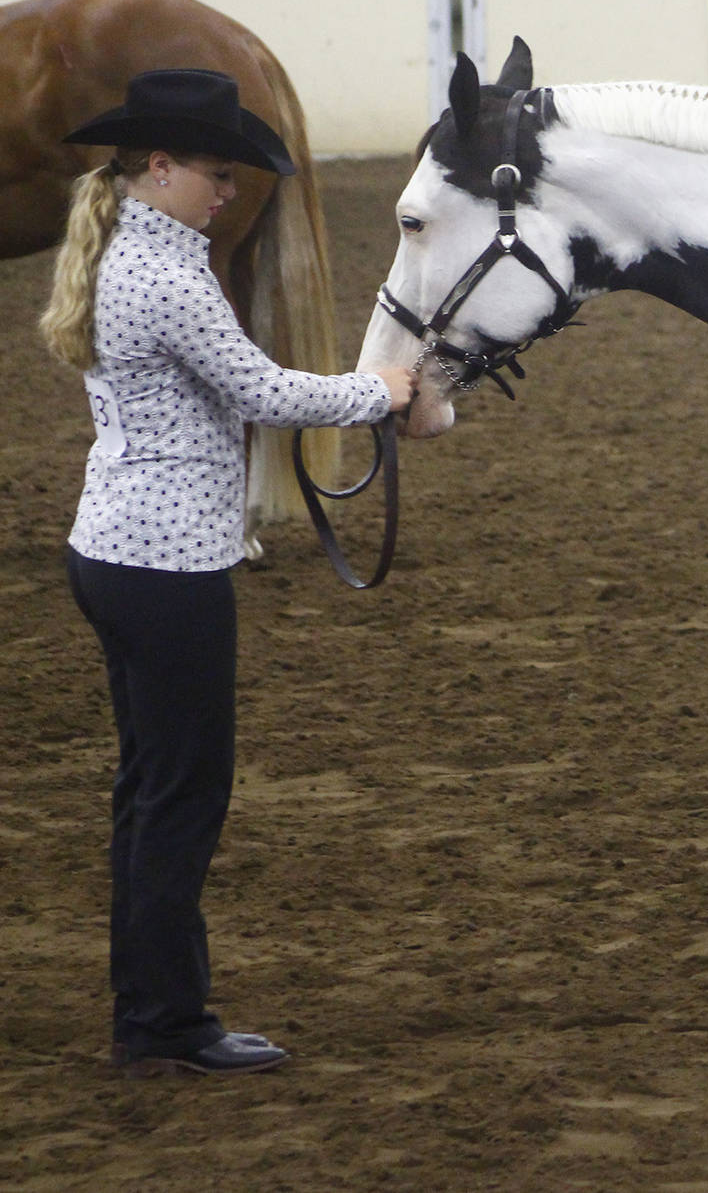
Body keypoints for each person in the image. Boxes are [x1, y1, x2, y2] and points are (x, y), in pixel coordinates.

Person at [38, 68, 418, 1077]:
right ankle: (165, 1024)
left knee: (150, 790)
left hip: (115, 551)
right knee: (183, 796)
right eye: (214, 172)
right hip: (166, 568)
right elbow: (264, 390)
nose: (225, 191)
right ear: (158, 167)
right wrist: (378, 390)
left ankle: (150, 1009)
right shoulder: (166, 274)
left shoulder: (128, 247)